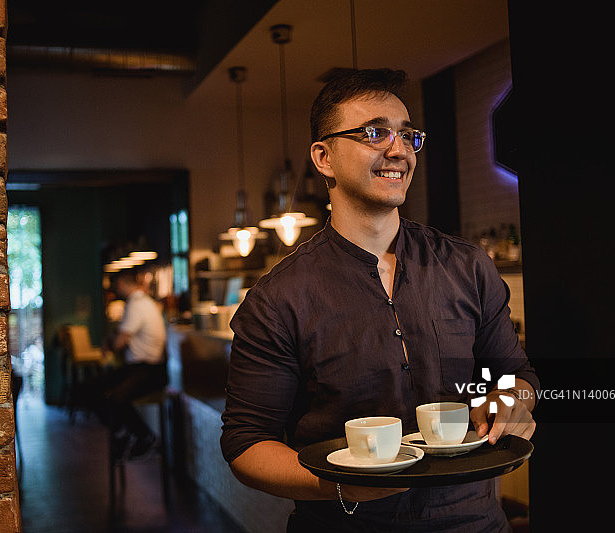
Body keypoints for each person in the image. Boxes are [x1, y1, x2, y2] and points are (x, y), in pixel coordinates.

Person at [220, 68, 538, 532]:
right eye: (374, 133)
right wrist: (343, 484)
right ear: (323, 157)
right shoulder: (279, 298)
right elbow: (247, 445)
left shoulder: (467, 266)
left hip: (474, 522)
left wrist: (511, 400)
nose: (398, 150)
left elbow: (517, 376)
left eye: (408, 136)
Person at [92, 268, 168, 459]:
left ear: (121, 284)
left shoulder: (136, 304)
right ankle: (123, 434)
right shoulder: (145, 302)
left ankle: (142, 437)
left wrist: (110, 342)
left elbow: (119, 343)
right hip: (147, 368)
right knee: (100, 387)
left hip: (148, 370)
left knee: (111, 396)